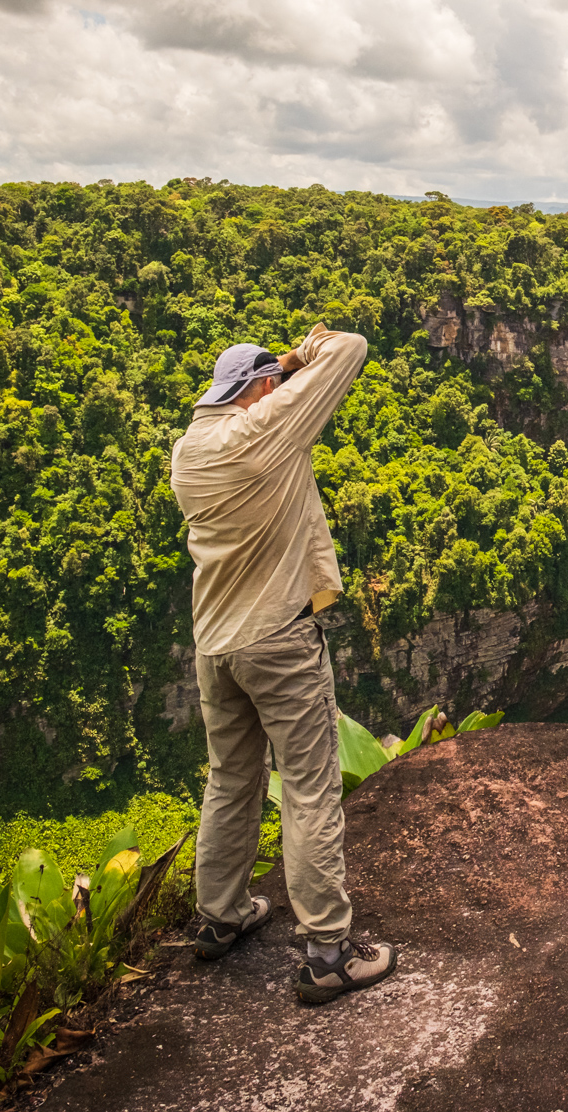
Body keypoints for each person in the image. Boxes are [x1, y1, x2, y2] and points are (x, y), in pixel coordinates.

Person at [169, 325, 395, 1004]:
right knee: (308, 786)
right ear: (263, 389)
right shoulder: (264, 428)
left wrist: (276, 372)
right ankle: (327, 953)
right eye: (275, 385)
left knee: (230, 779)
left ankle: (221, 917)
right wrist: (298, 356)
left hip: (215, 645)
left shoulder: (189, 448)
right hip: (278, 640)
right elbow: (350, 347)